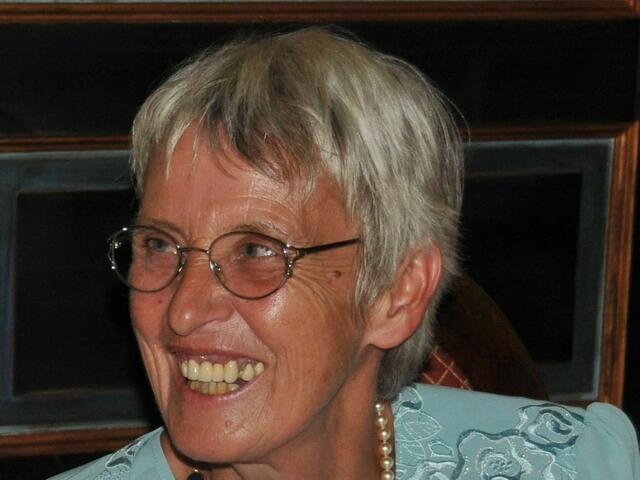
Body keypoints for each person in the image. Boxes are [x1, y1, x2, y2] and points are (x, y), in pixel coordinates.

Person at [51, 27, 639, 480]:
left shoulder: (571, 464)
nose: (182, 311)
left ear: (397, 292)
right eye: (160, 245)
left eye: (255, 249)